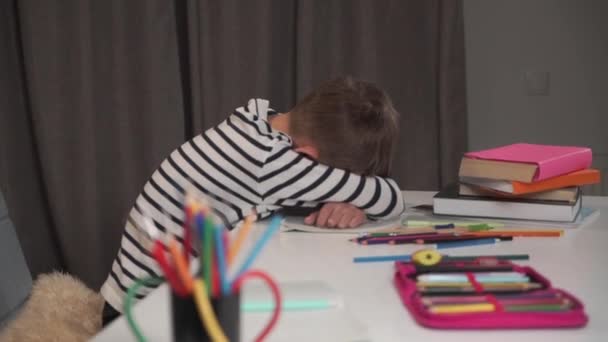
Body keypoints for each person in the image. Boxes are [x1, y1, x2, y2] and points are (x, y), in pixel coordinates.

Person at [100, 76, 404, 325]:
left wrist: (346, 197)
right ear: (308, 158)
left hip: (132, 297)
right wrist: (356, 196)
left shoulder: (257, 121)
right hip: (141, 318)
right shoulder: (270, 161)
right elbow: (390, 199)